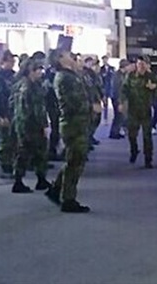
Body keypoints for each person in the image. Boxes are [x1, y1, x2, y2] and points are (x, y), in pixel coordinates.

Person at [44, 49, 91, 213]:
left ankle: (56, 190)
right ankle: (68, 199)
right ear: (60, 59)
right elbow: (72, 102)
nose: (71, 57)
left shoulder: (70, 75)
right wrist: (90, 107)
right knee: (75, 161)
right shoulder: (64, 77)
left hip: (77, 122)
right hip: (73, 123)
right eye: (67, 55)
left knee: (73, 159)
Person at [12, 59, 51, 193]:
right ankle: (18, 181)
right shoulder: (27, 87)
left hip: (29, 124)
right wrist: (43, 125)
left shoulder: (33, 85)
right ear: (31, 72)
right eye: (38, 70)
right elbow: (33, 110)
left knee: (39, 152)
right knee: (24, 153)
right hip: (28, 125)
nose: (40, 72)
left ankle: (41, 179)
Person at [120, 56, 157, 168]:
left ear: (147, 65)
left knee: (147, 136)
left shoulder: (151, 77)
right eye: (139, 64)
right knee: (132, 135)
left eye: (143, 64)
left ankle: (148, 159)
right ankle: (134, 150)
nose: (141, 66)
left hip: (146, 110)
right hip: (133, 110)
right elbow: (124, 90)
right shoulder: (130, 76)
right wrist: (122, 102)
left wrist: (154, 87)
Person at [0, 50, 17, 178]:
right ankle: (5, 165)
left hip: (14, 111)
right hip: (4, 110)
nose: (12, 63)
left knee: (13, 138)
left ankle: (10, 162)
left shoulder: (13, 75)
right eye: (10, 61)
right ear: (3, 62)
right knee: (5, 139)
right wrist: (2, 115)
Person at [82, 57, 103, 151]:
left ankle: (90, 137)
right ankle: (87, 140)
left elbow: (98, 87)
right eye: (90, 63)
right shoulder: (85, 74)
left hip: (95, 98)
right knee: (90, 121)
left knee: (96, 119)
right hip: (90, 100)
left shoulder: (94, 74)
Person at [109, 59, 129, 139]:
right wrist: (119, 101)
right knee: (118, 115)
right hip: (117, 98)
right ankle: (113, 133)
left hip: (121, 98)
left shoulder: (123, 74)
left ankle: (116, 131)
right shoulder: (117, 75)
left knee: (120, 116)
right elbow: (117, 88)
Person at [99, 55, 114, 123]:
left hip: (111, 88)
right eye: (103, 60)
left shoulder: (112, 68)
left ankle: (114, 116)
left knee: (114, 102)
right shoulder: (101, 69)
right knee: (105, 104)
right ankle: (105, 118)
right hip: (104, 88)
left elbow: (113, 77)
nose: (105, 61)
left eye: (106, 59)